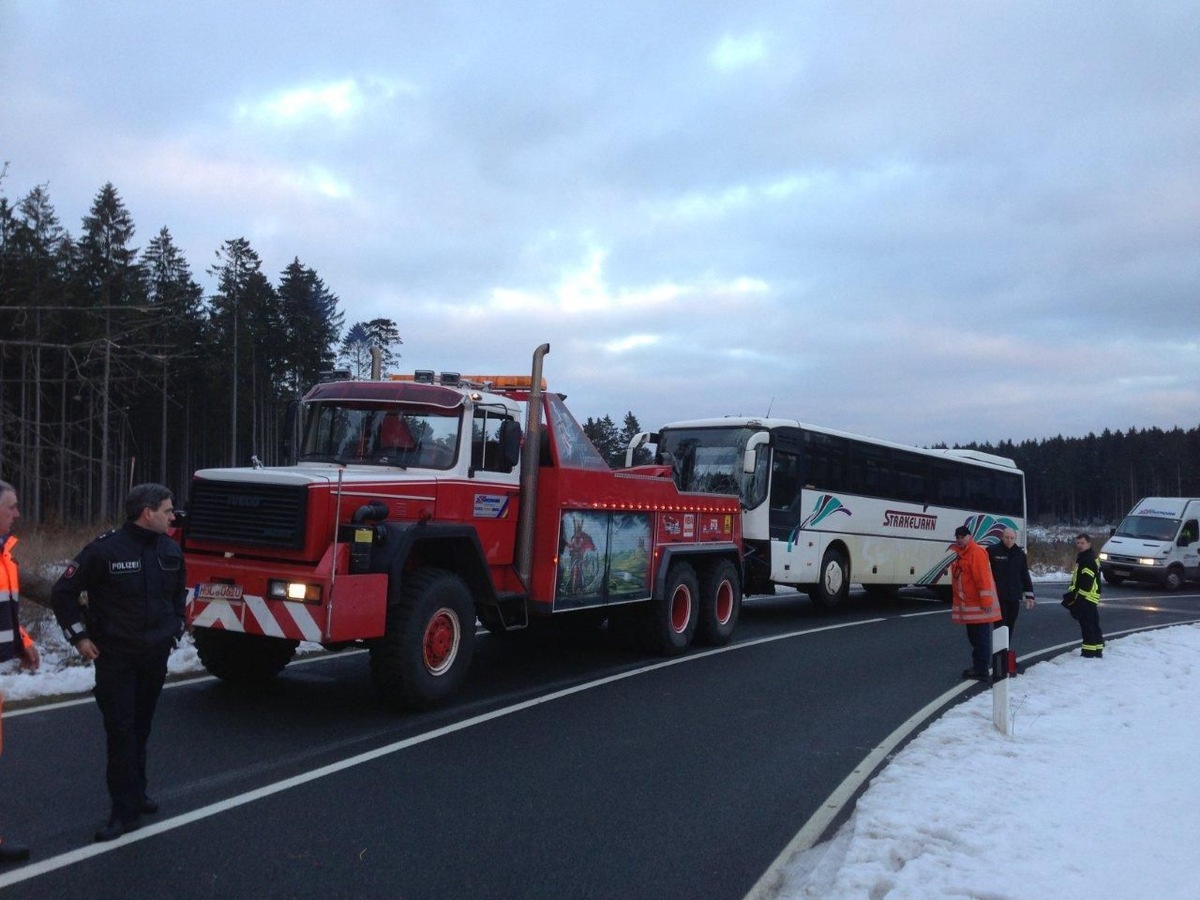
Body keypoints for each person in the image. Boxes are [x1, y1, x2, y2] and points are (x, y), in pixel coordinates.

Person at [51, 483, 186, 842]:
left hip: (154, 656)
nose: (174, 516)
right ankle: (121, 811)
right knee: (121, 731)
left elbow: (178, 597)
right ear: (147, 512)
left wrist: (174, 630)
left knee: (141, 728)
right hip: (117, 658)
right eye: (168, 510)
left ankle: (137, 793)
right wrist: (79, 636)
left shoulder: (171, 550)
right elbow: (62, 592)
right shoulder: (104, 550)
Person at [0, 480, 38, 864]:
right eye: (11, 506)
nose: (17, 514)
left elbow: (4, 611)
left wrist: (22, 641)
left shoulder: (5, 556)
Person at [950, 525, 1001, 681]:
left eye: (962, 537)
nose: (959, 540)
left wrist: (986, 600)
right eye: (957, 537)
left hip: (978, 606)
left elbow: (982, 579)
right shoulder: (962, 554)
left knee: (980, 639)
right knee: (976, 639)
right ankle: (979, 667)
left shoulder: (976, 553)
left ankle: (981, 670)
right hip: (971, 605)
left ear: (969, 536)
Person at [987, 527, 1036, 645]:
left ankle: (1006, 654)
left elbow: (1024, 574)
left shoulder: (1019, 554)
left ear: (1015, 539)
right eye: (1007, 537)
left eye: (1012, 538)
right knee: (1000, 626)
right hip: (998, 596)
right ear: (1002, 537)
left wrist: (1029, 595)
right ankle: (998, 655)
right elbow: (985, 573)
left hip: (1014, 596)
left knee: (1010, 625)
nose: (1009, 540)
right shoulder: (992, 551)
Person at [1063, 532, 1104, 658]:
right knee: (1093, 623)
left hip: (1086, 597)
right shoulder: (1087, 557)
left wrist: (1077, 598)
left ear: (1089, 544)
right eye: (1078, 543)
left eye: (1082, 543)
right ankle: (1097, 649)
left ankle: (1088, 652)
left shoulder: (1087, 559)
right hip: (1091, 597)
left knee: (1087, 625)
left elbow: (1086, 582)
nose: (1080, 545)